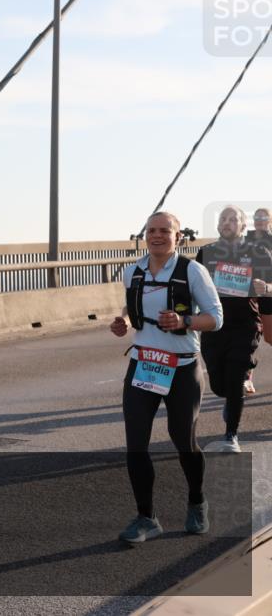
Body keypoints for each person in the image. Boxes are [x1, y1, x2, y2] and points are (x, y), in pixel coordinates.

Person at [110, 211, 222, 545]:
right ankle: (146, 517)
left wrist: (184, 321)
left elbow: (215, 318)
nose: (157, 236)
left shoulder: (193, 271)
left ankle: (197, 500)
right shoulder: (132, 271)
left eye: (164, 231)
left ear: (178, 237)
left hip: (182, 367)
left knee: (182, 440)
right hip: (144, 364)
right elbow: (132, 311)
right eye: (151, 231)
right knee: (136, 445)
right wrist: (124, 324)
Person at [195, 206, 272, 451]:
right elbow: (193, 287)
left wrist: (266, 288)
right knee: (219, 384)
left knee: (236, 376)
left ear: (242, 226)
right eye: (223, 219)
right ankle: (230, 395)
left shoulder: (259, 252)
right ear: (218, 226)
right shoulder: (206, 253)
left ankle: (231, 436)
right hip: (214, 325)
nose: (227, 223)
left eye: (233, 219)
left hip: (245, 325)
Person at [243, 207, 272, 394]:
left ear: (270, 220)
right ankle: (246, 377)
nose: (260, 220)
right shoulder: (245, 240)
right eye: (257, 217)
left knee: (269, 337)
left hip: (269, 293)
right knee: (247, 337)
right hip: (248, 295)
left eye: (264, 217)